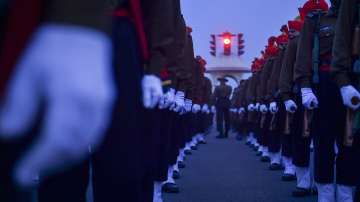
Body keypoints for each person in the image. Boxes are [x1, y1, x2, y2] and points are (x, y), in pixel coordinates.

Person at [295, 0, 358, 200]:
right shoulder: (316, 20)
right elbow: (303, 55)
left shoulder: (354, 14)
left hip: (354, 83)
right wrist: (305, 88)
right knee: (324, 143)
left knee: (351, 144)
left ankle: (346, 193)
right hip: (325, 87)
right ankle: (325, 192)